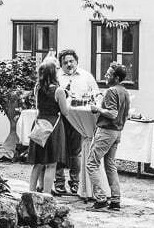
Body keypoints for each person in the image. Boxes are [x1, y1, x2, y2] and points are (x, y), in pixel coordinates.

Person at [54, 49, 100, 195]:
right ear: (60, 64)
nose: (68, 64)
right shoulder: (56, 77)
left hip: (79, 118)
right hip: (60, 117)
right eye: (65, 62)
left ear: (76, 61)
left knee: (75, 151)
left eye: (71, 61)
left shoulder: (86, 76)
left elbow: (97, 94)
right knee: (58, 151)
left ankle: (75, 182)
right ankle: (59, 182)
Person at [88, 63, 131, 210]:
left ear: (116, 78)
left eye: (109, 73)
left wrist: (97, 108)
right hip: (117, 132)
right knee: (110, 164)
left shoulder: (111, 91)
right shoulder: (125, 91)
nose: (106, 75)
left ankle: (100, 199)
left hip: (106, 131)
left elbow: (113, 113)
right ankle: (115, 200)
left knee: (91, 163)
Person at [27, 58, 68, 192]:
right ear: (53, 73)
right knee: (51, 164)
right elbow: (65, 112)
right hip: (53, 127)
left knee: (38, 163)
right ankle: (46, 195)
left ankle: (31, 192)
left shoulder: (37, 88)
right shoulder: (58, 91)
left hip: (39, 124)